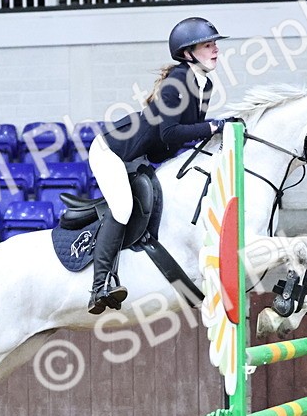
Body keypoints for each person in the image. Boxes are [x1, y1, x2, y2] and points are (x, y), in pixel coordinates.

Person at [84, 17, 227, 314]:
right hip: (111, 151)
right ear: (188, 53)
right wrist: (213, 128)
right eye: (208, 45)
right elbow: (170, 133)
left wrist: (216, 134)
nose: (215, 50)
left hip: (140, 157)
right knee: (123, 208)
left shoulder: (205, 84)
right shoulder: (177, 82)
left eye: (215, 45)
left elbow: (191, 131)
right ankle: (100, 286)